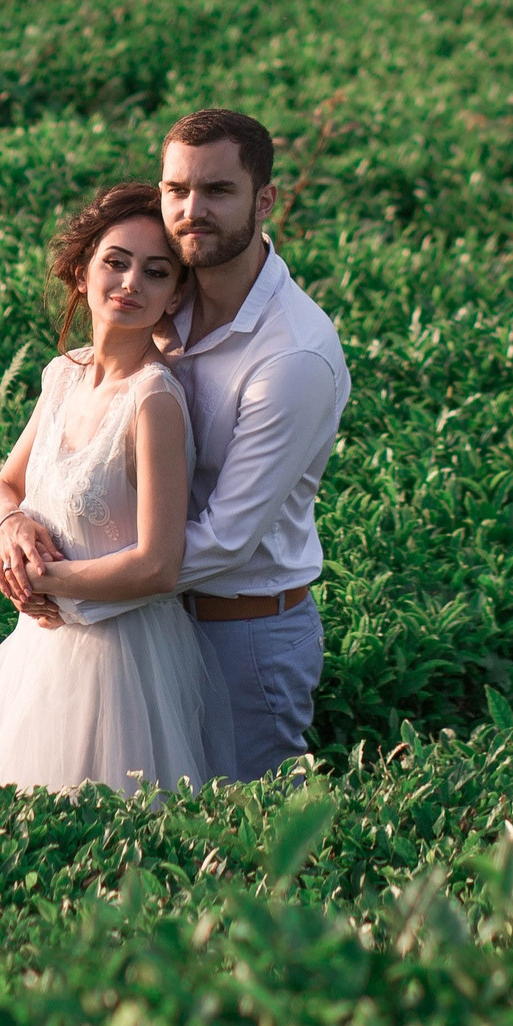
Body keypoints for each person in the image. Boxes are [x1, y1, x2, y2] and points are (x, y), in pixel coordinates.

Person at [0, 183, 235, 802]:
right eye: (116, 261)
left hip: (123, 660)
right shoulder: (64, 375)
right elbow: (3, 488)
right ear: (82, 273)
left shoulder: (154, 400)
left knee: (111, 839)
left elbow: (159, 565)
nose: (131, 282)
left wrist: (40, 582)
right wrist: (11, 530)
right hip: (40, 651)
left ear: (174, 296)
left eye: (156, 272)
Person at [157, 108, 351, 781]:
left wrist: (82, 583)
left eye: (217, 191)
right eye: (176, 190)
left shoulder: (293, 352)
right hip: (154, 623)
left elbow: (228, 539)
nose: (191, 210)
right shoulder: (157, 300)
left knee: (254, 855)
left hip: (244, 638)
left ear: (265, 200)